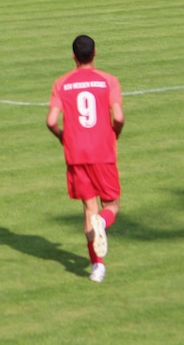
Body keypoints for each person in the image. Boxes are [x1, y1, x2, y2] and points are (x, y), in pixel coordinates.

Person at [46, 34, 124, 283]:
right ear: (95, 53)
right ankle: (104, 221)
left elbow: (50, 121)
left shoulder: (62, 82)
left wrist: (61, 136)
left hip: (76, 152)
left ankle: (97, 268)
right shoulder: (108, 80)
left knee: (89, 209)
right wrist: (115, 134)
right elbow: (119, 117)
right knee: (111, 205)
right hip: (103, 151)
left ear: (73, 56)